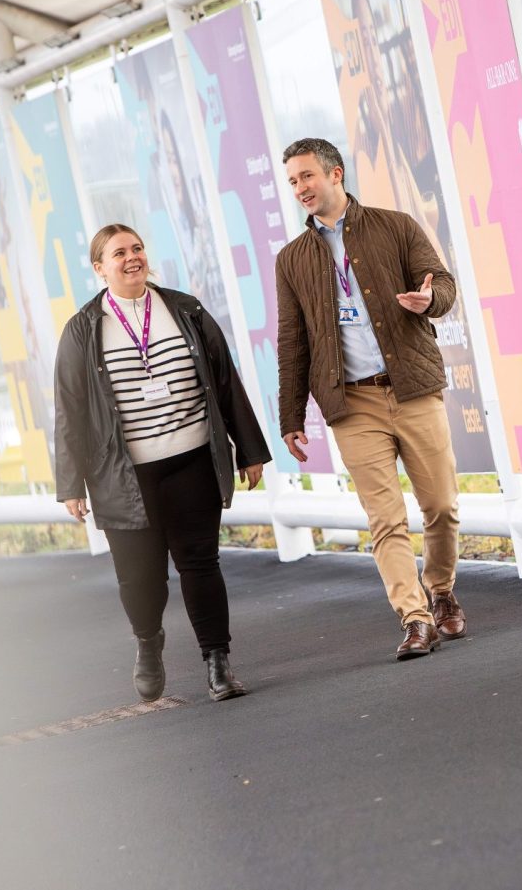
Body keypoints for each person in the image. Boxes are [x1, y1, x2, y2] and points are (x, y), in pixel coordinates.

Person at [54, 224, 269, 702]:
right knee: (140, 579)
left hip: (190, 459)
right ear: (99, 268)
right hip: (123, 476)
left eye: (137, 248)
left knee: (200, 563)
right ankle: (148, 642)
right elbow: (68, 409)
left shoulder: (184, 309)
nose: (132, 258)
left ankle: (218, 662)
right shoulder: (83, 330)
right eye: (118, 253)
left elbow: (224, 380)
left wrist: (249, 449)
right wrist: (71, 483)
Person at [275, 137, 466, 661]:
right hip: (351, 405)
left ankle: (442, 588)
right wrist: (291, 414)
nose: (300, 188)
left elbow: (444, 284)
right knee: (385, 518)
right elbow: (292, 341)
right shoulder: (291, 259)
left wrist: (430, 300)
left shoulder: (396, 225)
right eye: (292, 180)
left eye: (307, 176)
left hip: (411, 388)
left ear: (335, 174)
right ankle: (415, 617)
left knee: (441, 507)